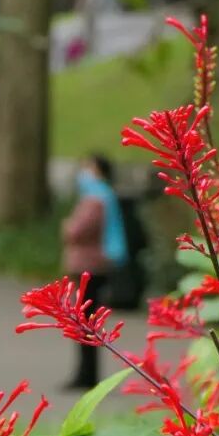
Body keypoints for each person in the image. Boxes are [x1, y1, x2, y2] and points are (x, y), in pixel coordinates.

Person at [61, 154, 128, 389]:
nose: (83, 171)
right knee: (87, 322)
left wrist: (67, 226)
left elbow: (75, 231)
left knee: (85, 323)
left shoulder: (95, 200)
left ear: (98, 170)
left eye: (87, 166)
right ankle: (86, 375)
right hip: (96, 265)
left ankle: (85, 377)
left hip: (90, 266)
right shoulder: (103, 196)